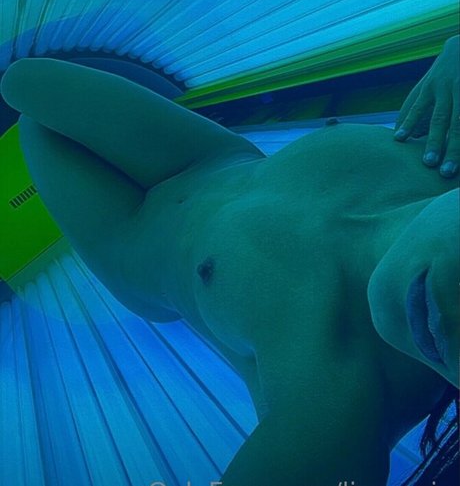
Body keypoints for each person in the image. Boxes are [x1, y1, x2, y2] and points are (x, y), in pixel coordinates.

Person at [1, 35, 459, 486]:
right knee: (24, 82)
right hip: (211, 157)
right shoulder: (448, 153)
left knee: (33, 120)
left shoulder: (340, 413)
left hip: (134, 243)